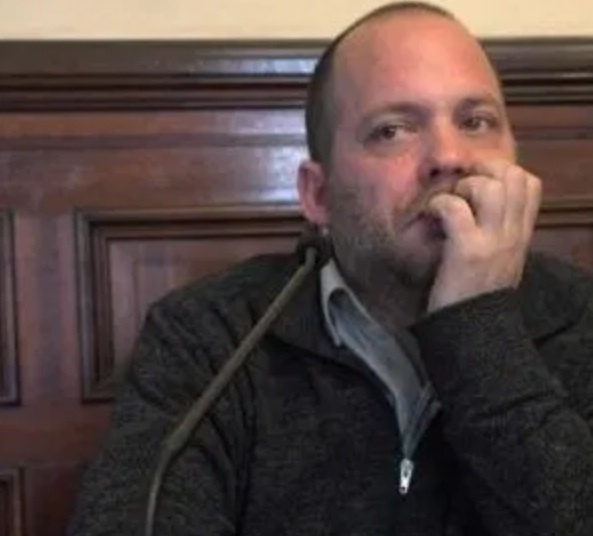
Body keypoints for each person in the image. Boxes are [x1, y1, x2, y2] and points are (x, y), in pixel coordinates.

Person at [69, 2, 593, 535]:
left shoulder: (582, 319)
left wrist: (480, 332)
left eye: (476, 121)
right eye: (393, 130)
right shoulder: (208, 338)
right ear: (318, 195)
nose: (449, 157)